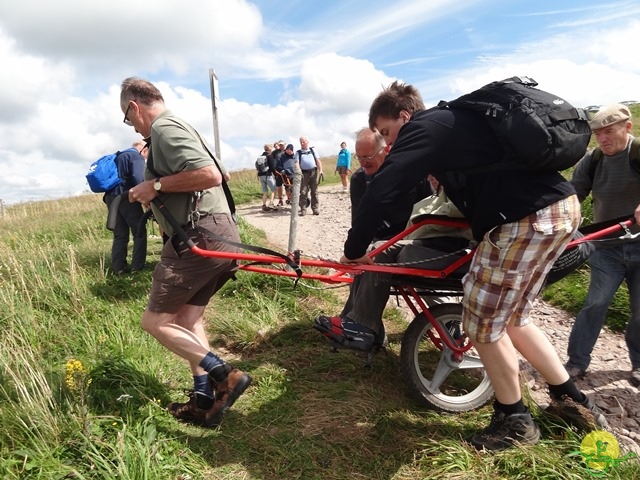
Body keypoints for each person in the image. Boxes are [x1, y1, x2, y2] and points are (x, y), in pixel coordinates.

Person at [336, 80, 606, 451]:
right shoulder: (457, 124)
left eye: (386, 131)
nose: (388, 141)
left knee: (481, 324)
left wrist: (354, 249)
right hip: (558, 211)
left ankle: (515, 421)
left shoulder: (425, 126)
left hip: (524, 220)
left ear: (404, 115)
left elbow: (385, 186)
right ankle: (574, 401)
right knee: (512, 319)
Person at [120, 77, 251, 428]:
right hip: (215, 236)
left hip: (199, 239)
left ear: (134, 106)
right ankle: (205, 400)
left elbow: (211, 174)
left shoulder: (163, 128)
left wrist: (154, 185)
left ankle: (224, 375)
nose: (131, 124)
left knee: (155, 322)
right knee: (187, 321)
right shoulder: (172, 128)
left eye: (127, 117)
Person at [316, 172, 472, 351]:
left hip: (450, 248)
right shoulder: (361, 178)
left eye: (434, 174)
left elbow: (449, 216)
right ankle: (353, 322)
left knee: (378, 253)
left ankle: (362, 327)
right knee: (372, 252)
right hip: (427, 242)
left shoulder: (456, 185)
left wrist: (422, 219)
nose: (430, 177)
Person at [566, 104, 640, 386]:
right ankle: (576, 363)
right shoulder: (593, 160)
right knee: (596, 302)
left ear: (627, 127)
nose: (603, 139)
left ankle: (638, 364)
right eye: (598, 134)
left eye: (608, 132)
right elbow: (574, 194)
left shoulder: (638, 152)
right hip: (606, 246)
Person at [104, 141, 147, 275]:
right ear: (143, 150)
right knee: (139, 232)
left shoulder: (118, 156)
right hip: (127, 197)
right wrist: (146, 198)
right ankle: (137, 267)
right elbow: (138, 179)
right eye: (146, 156)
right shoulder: (135, 157)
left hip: (111, 198)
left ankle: (119, 268)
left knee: (120, 235)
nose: (145, 159)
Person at [295, 136, 323, 216]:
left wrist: (321, 170)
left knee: (314, 191)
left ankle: (315, 209)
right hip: (303, 174)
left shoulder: (313, 150)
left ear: (307, 142)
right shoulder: (298, 152)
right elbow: (296, 162)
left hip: (313, 172)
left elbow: (318, 160)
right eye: (301, 142)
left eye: (304, 142)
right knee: (303, 191)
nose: (302, 143)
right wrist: (299, 170)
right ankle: (303, 209)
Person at [258, 143, 277, 211]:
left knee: (265, 192)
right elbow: (272, 167)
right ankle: (271, 203)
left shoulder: (260, 157)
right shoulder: (269, 156)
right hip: (268, 175)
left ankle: (264, 205)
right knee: (273, 189)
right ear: (270, 149)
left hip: (261, 176)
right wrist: (275, 174)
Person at [270, 140, 286, 206]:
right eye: (280, 145)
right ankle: (280, 200)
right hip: (277, 172)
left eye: (282, 144)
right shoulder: (274, 152)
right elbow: (272, 161)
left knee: (288, 186)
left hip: (286, 171)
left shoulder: (287, 151)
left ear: (285, 144)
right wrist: (274, 170)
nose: (281, 146)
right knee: (279, 186)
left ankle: (290, 199)